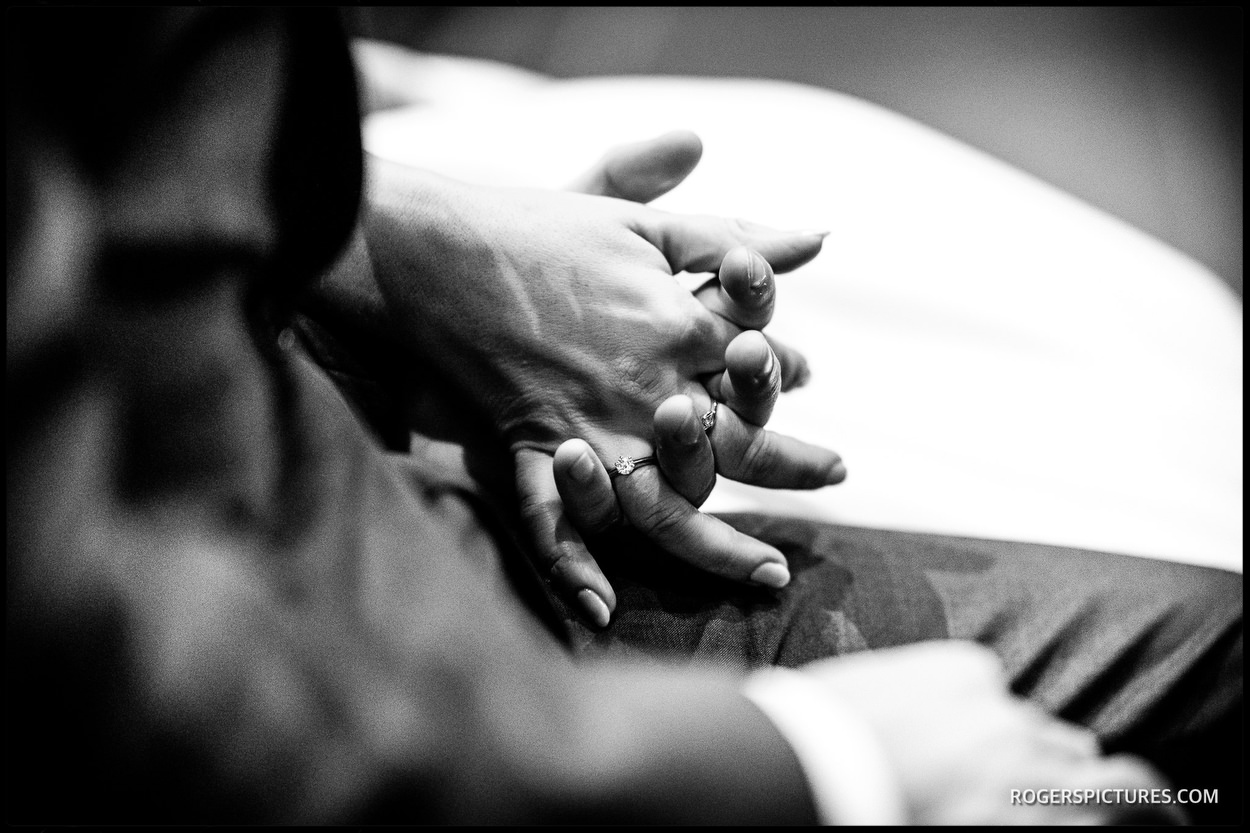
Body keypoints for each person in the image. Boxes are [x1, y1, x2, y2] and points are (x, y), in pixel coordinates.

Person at [7, 7, 1240, 825]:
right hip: (349, 657)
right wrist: (819, 769)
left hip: (304, 366)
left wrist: (397, 245)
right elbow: (98, 670)